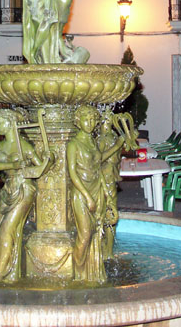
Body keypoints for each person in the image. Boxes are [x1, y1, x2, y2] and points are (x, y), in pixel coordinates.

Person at [0, 108, 53, 283]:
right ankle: (10, 268)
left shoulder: (23, 146)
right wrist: (12, 164)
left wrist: (48, 159)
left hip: (23, 189)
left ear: (10, 124)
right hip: (8, 189)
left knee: (6, 230)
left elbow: (40, 168)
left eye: (1, 122)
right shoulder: (0, 147)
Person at [67, 105, 105, 282]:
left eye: (92, 119)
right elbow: (73, 173)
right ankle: (78, 273)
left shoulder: (93, 141)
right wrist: (87, 196)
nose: (89, 123)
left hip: (97, 188)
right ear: (78, 121)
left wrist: (108, 196)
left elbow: (99, 168)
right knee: (85, 234)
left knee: (97, 231)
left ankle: (94, 273)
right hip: (82, 192)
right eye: (85, 119)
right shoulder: (73, 144)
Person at [96, 109, 127, 260]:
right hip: (105, 177)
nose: (107, 124)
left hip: (112, 175)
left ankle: (109, 250)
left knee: (112, 215)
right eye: (104, 121)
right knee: (107, 213)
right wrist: (117, 146)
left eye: (109, 121)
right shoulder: (100, 140)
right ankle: (104, 250)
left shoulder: (113, 136)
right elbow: (98, 160)